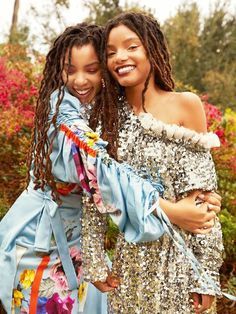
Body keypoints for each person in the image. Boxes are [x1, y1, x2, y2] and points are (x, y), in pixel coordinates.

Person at [0, 22, 220, 314]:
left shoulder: (105, 112)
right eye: (70, 69)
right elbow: (99, 174)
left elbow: (199, 189)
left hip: (85, 248)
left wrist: (204, 267)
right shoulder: (64, 111)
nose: (80, 80)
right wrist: (170, 210)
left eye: (92, 69)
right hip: (41, 241)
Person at [85, 12, 224, 314]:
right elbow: (94, 195)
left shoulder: (186, 105)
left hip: (180, 269)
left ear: (152, 48)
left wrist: (207, 275)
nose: (120, 57)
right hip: (128, 271)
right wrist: (95, 261)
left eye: (131, 47)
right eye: (110, 53)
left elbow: (204, 201)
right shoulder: (105, 116)